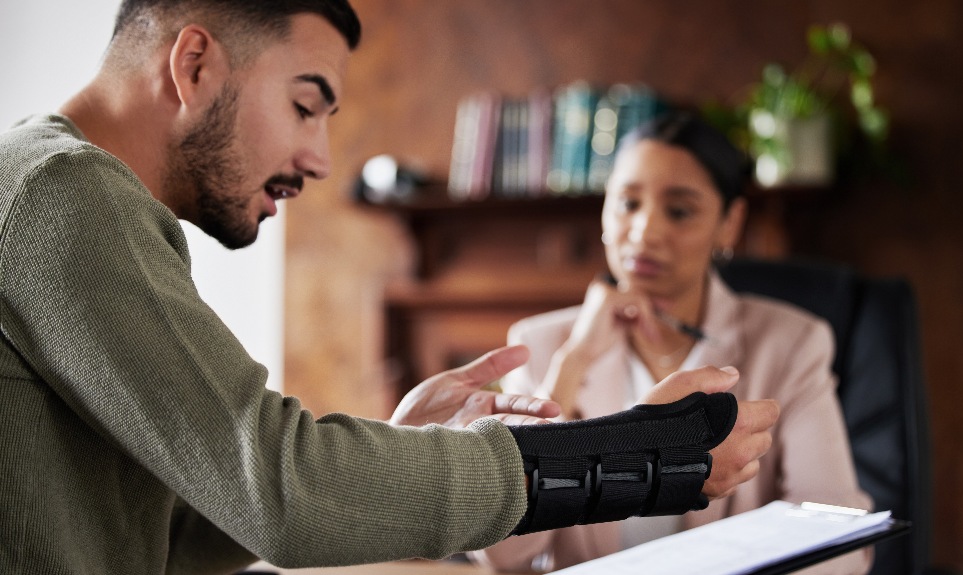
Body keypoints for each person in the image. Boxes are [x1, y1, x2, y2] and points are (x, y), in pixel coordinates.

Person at [0, 2, 780, 574]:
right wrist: (647, 449)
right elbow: (277, 488)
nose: (321, 158)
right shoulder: (60, 191)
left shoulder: (64, 196)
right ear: (193, 64)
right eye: (305, 106)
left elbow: (182, 530)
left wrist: (403, 446)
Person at [472, 111, 871, 573]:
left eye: (679, 211)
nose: (645, 232)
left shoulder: (793, 344)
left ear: (729, 223)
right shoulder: (541, 345)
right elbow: (504, 556)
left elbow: (838, 537)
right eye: (627, 203)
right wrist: (574, 362)